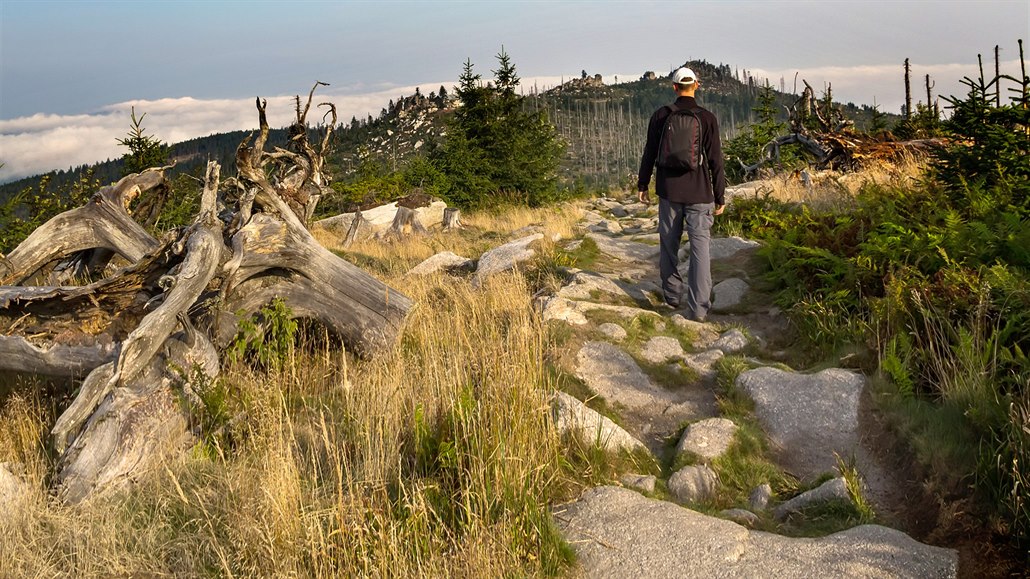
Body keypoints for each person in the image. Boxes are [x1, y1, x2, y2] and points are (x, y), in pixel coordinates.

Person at [637, 66, 726, 322]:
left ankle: (672, 295)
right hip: (700, 193)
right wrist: (720, 195)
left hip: (668, 191)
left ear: (674, 87)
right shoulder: (707, 118)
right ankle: (698, 308)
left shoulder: (661, 116)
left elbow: (649, 153)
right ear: (696, 85)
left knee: (669, 244)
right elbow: (715, 160)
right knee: (700, 249)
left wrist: (643, 184)